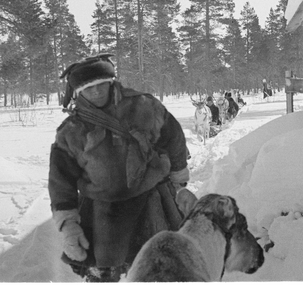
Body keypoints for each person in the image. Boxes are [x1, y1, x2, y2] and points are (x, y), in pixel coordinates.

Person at [48, 54, 195, 282]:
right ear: (77, 92)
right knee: (102, 276)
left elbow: (173, 136)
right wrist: (68, 225)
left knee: (162, 269)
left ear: (111, 81)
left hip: (152, 201)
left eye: (100, 85)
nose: (96, 92)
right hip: (102, 214)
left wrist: (178, 173)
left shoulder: (144, 106)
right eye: (88, 88)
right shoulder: (71, 130)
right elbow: (61, 180)